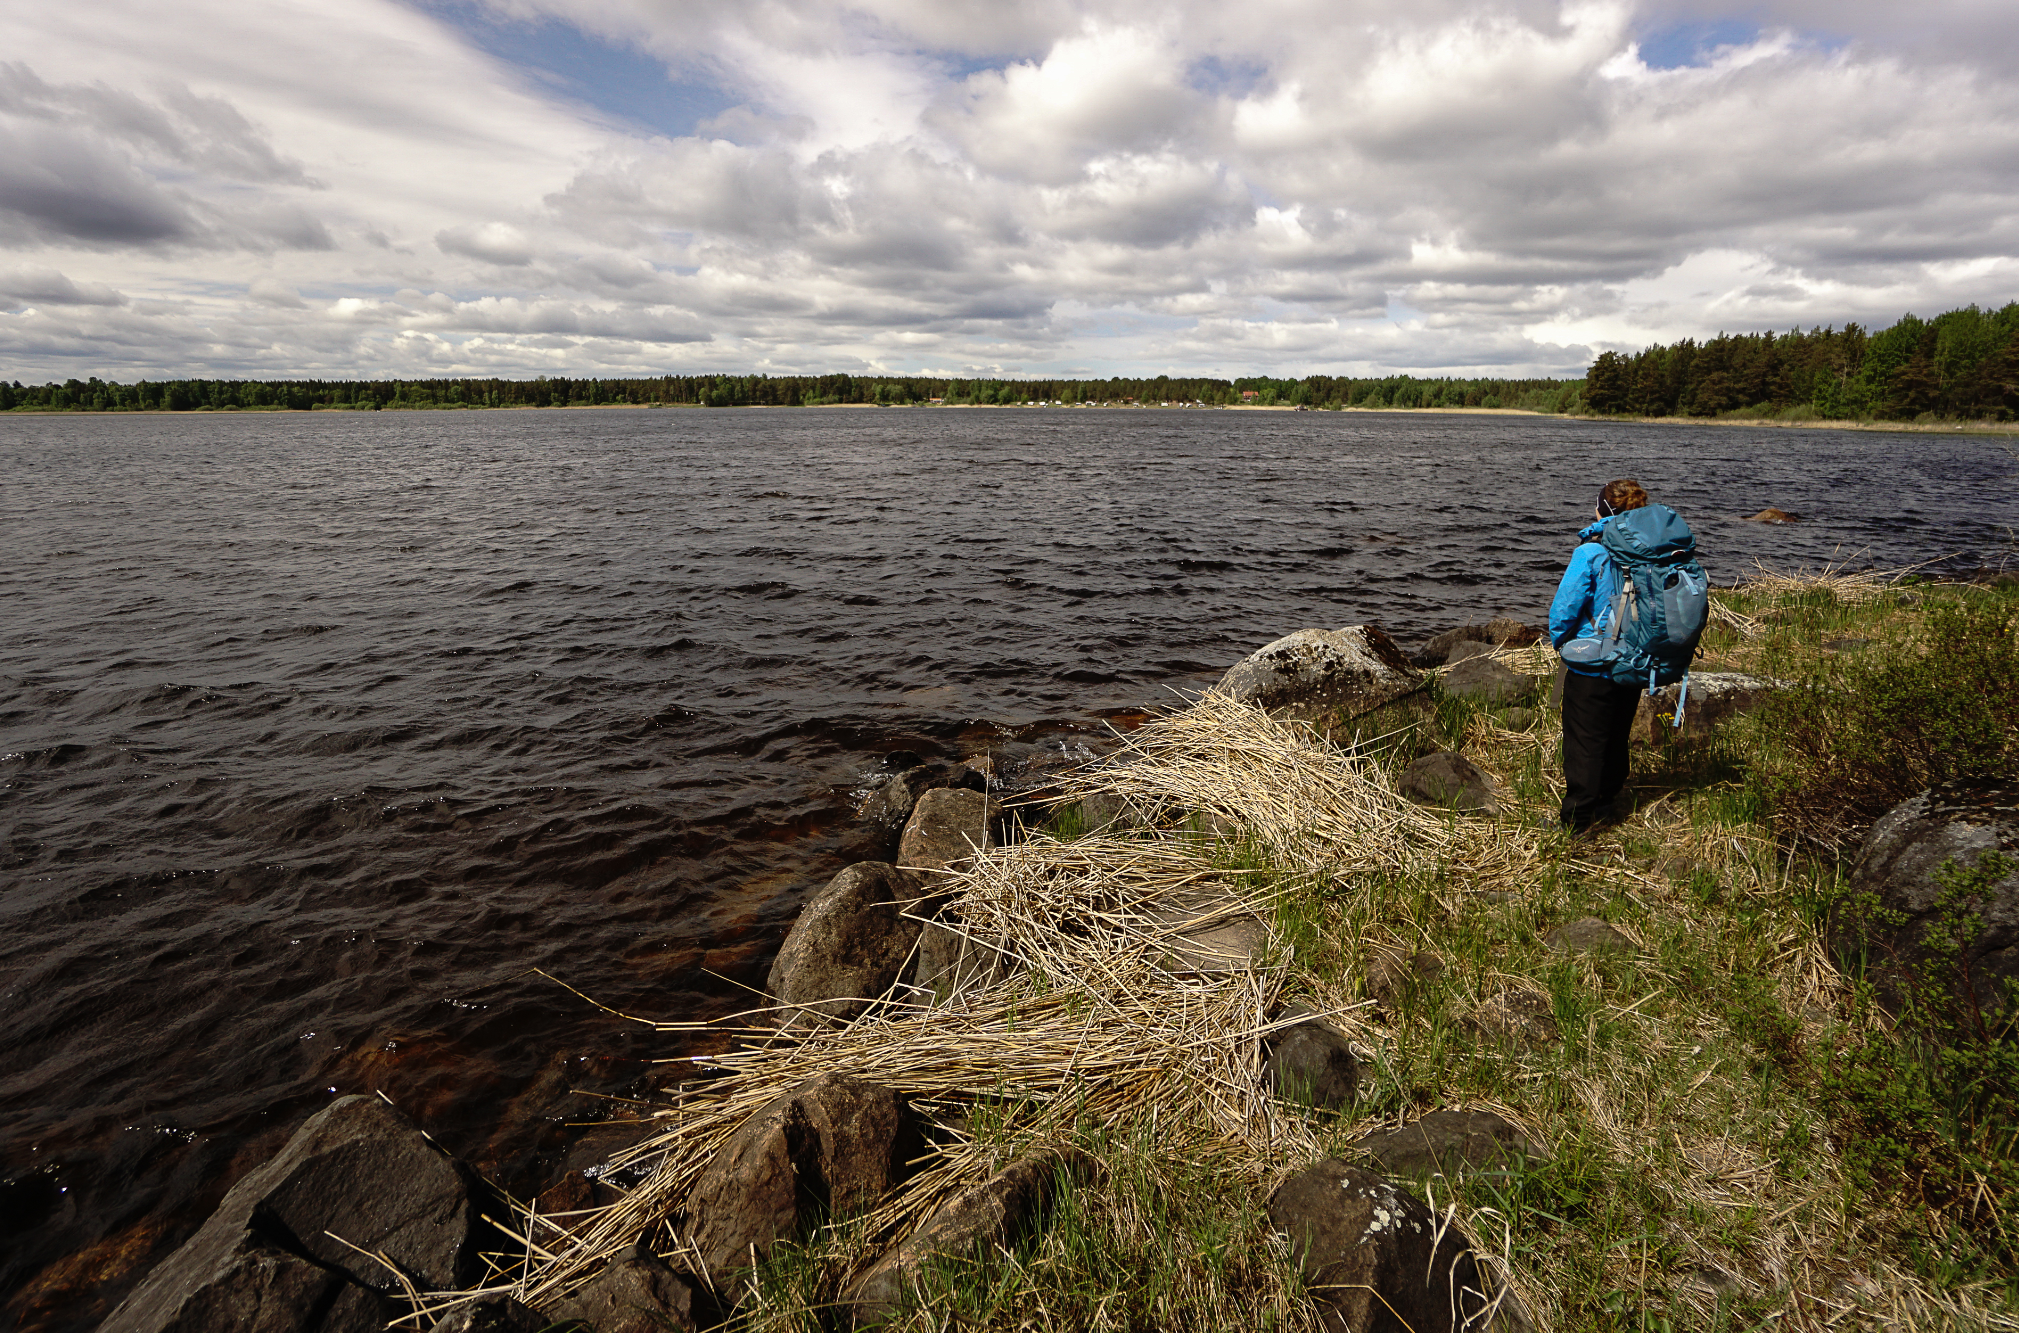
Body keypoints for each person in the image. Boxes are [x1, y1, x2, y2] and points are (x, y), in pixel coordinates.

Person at [1548, 478, 1651, 834]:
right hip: (1634, 661)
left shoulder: (1590, 552)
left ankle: (1577, 824)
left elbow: (1564, 609)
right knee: (1616, 733)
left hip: (1593, 665)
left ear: (1604, 510)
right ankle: (1608, 803)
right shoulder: (1650, 550)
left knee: (1584, 743)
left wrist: (1562, 645)